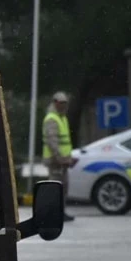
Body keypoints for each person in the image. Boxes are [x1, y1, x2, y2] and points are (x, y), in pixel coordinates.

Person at [42, 91, 76, 222]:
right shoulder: (52, 118)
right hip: (56, 160)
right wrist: (60, 158)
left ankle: (60, 212)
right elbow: (52, 142)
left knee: (62, 187)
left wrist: (68, 158)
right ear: (55, 102)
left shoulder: (62, 118)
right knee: (56, 188)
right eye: (61, 103)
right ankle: (54, 213)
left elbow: (64, 142)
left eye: (65, 103)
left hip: (63, 160)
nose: (63, 105)